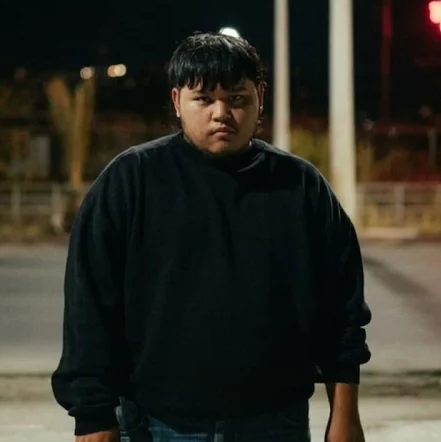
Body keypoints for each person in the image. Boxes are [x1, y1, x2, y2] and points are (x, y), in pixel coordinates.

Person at [52, 31, 372, 442]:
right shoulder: (131, 181)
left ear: (260, 98)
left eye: (237, 99)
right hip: (155, 423)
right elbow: (88, 307)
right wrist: (93, 417)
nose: (221, 113)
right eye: (203, 99)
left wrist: (345, 416)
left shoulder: (300, 187)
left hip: (275, 423)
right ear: (176, 102)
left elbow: (342, 309)